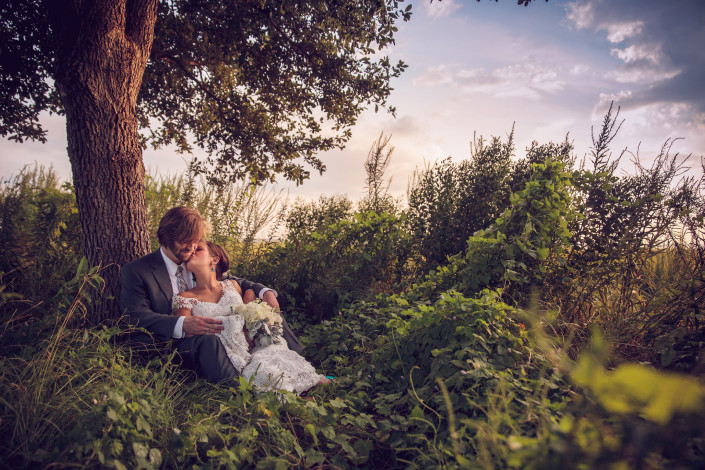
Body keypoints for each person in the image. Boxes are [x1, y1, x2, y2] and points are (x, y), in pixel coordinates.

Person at [120, 206, 302, 386]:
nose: (191, 247)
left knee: (266, 313)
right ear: (167, 236)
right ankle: (242, 390)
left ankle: (301, 364)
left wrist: (265, 291)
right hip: (173, 343)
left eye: (195, 241)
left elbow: (228, 281)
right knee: (210, 341)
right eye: (185, 241)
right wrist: (182, 324)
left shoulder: (193, 261)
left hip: (224, 334)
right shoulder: (138, 271)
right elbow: (135, 316)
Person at [173, 241, 331, 394]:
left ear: (214, 259)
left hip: (251, 343)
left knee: (276, 356)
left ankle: (309, 382)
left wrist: (251, 322)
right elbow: (188, 336)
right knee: (264, 371)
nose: (192, 252)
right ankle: (291, 391)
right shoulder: (185, 298)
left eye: (198, 249)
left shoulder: (232, 286)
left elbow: (247, 304)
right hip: (225, 351)